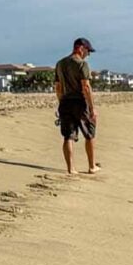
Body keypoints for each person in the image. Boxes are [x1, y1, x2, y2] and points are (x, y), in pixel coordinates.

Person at [54, 37, 99, 175]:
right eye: (87, 51)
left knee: (68, 136)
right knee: (89, 134)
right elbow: (86, 86)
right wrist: (92, 108)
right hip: (79, 102)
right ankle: (92, 166)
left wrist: (61, 101)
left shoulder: (60, 64)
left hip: (65, 102)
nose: (88, 54)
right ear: (80, 48)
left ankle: (71, 168)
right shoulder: (82, 64)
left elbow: (58, 87)